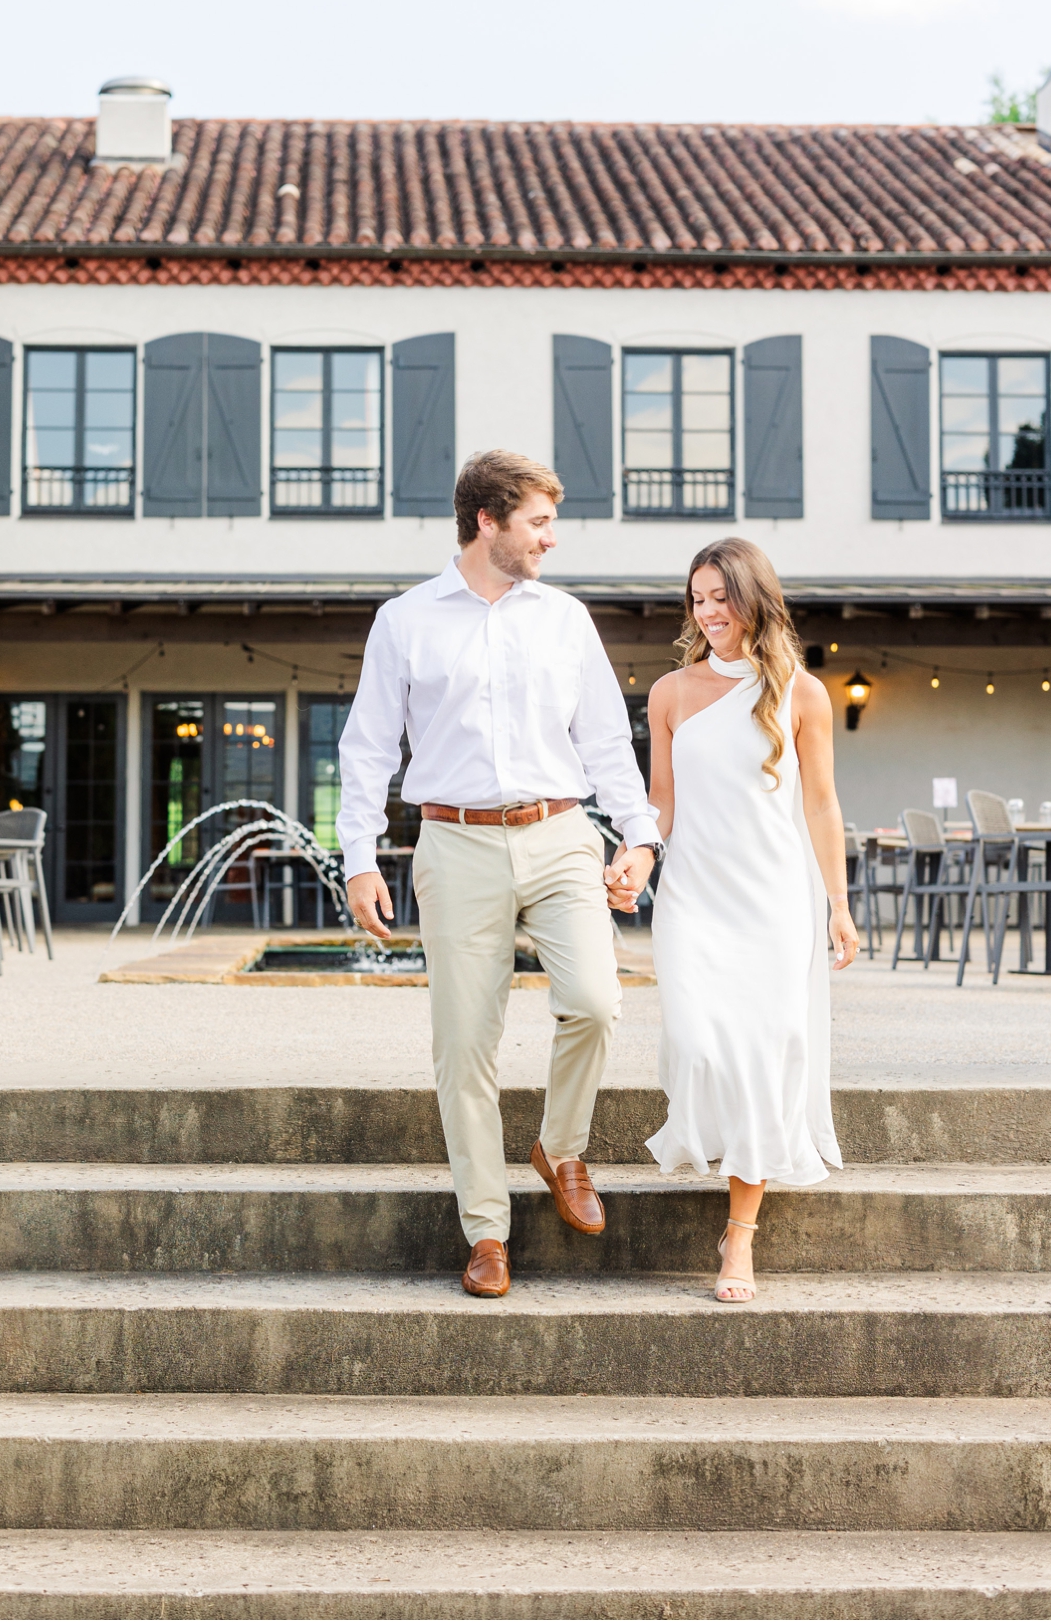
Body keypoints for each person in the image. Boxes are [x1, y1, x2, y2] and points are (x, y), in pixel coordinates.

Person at [339, 449, 662, 1297]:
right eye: (540, 521)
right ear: (488, 521)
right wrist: (360, 857)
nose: (552, 538)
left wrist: (639, 834)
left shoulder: (565, 618)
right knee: (463, 1047)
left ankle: (560, 1147)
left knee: (595, 998)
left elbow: (604, 738)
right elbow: (368, 748)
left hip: (562, 833)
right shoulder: (405, 620)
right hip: (454, 842)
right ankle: (486, 1229)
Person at [630, 537, 857, 1303]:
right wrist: (636, 857)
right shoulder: (668, 693)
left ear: (753, 597)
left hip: (774, 903)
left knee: (763, 1057)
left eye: (721, 596)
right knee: (697, 1047)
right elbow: (661, 802)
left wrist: (839, 902)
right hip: (694, 897)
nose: (708, 611)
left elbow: (822, 803)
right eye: (697, 597)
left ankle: (740, 1237)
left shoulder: (803, 693)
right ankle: (728, 1157)